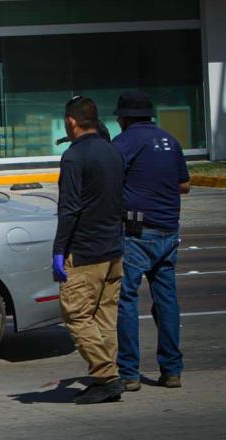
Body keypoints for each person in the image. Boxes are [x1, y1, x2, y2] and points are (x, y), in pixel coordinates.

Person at [112, 91, 190, 392]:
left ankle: (129, 373)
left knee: (127, 300)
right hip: (169, 231)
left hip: (136, 233)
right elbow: (185, 184)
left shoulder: (125, 142)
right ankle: (172, 371)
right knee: (167, 301)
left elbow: (109, 176)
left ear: (125, 117)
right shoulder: (171, 141)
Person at [52, 96, 125, 404]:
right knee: (104, 317)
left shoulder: (73, 157)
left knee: (77, 315)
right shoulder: (113, 151)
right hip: (112, 249)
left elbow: (69, 209)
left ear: (71, 122)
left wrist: (59, 250)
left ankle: (106, 375)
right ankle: (105, 377)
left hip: (84, 251)